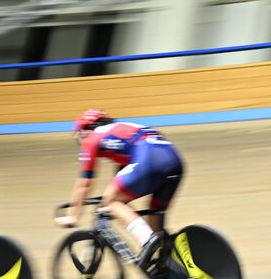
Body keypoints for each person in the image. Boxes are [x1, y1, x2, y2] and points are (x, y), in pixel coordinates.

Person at [55, 109, 183, 268]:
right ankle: (164, 267)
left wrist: (73, 216)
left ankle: (148, 240)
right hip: (174, 160)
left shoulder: (92, 137)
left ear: (84, 131)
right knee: (154, 213)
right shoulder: (119, 130)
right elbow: (121, 177)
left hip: (148, 158)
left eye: (79, 135)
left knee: (111, 202)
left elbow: (84, 184)